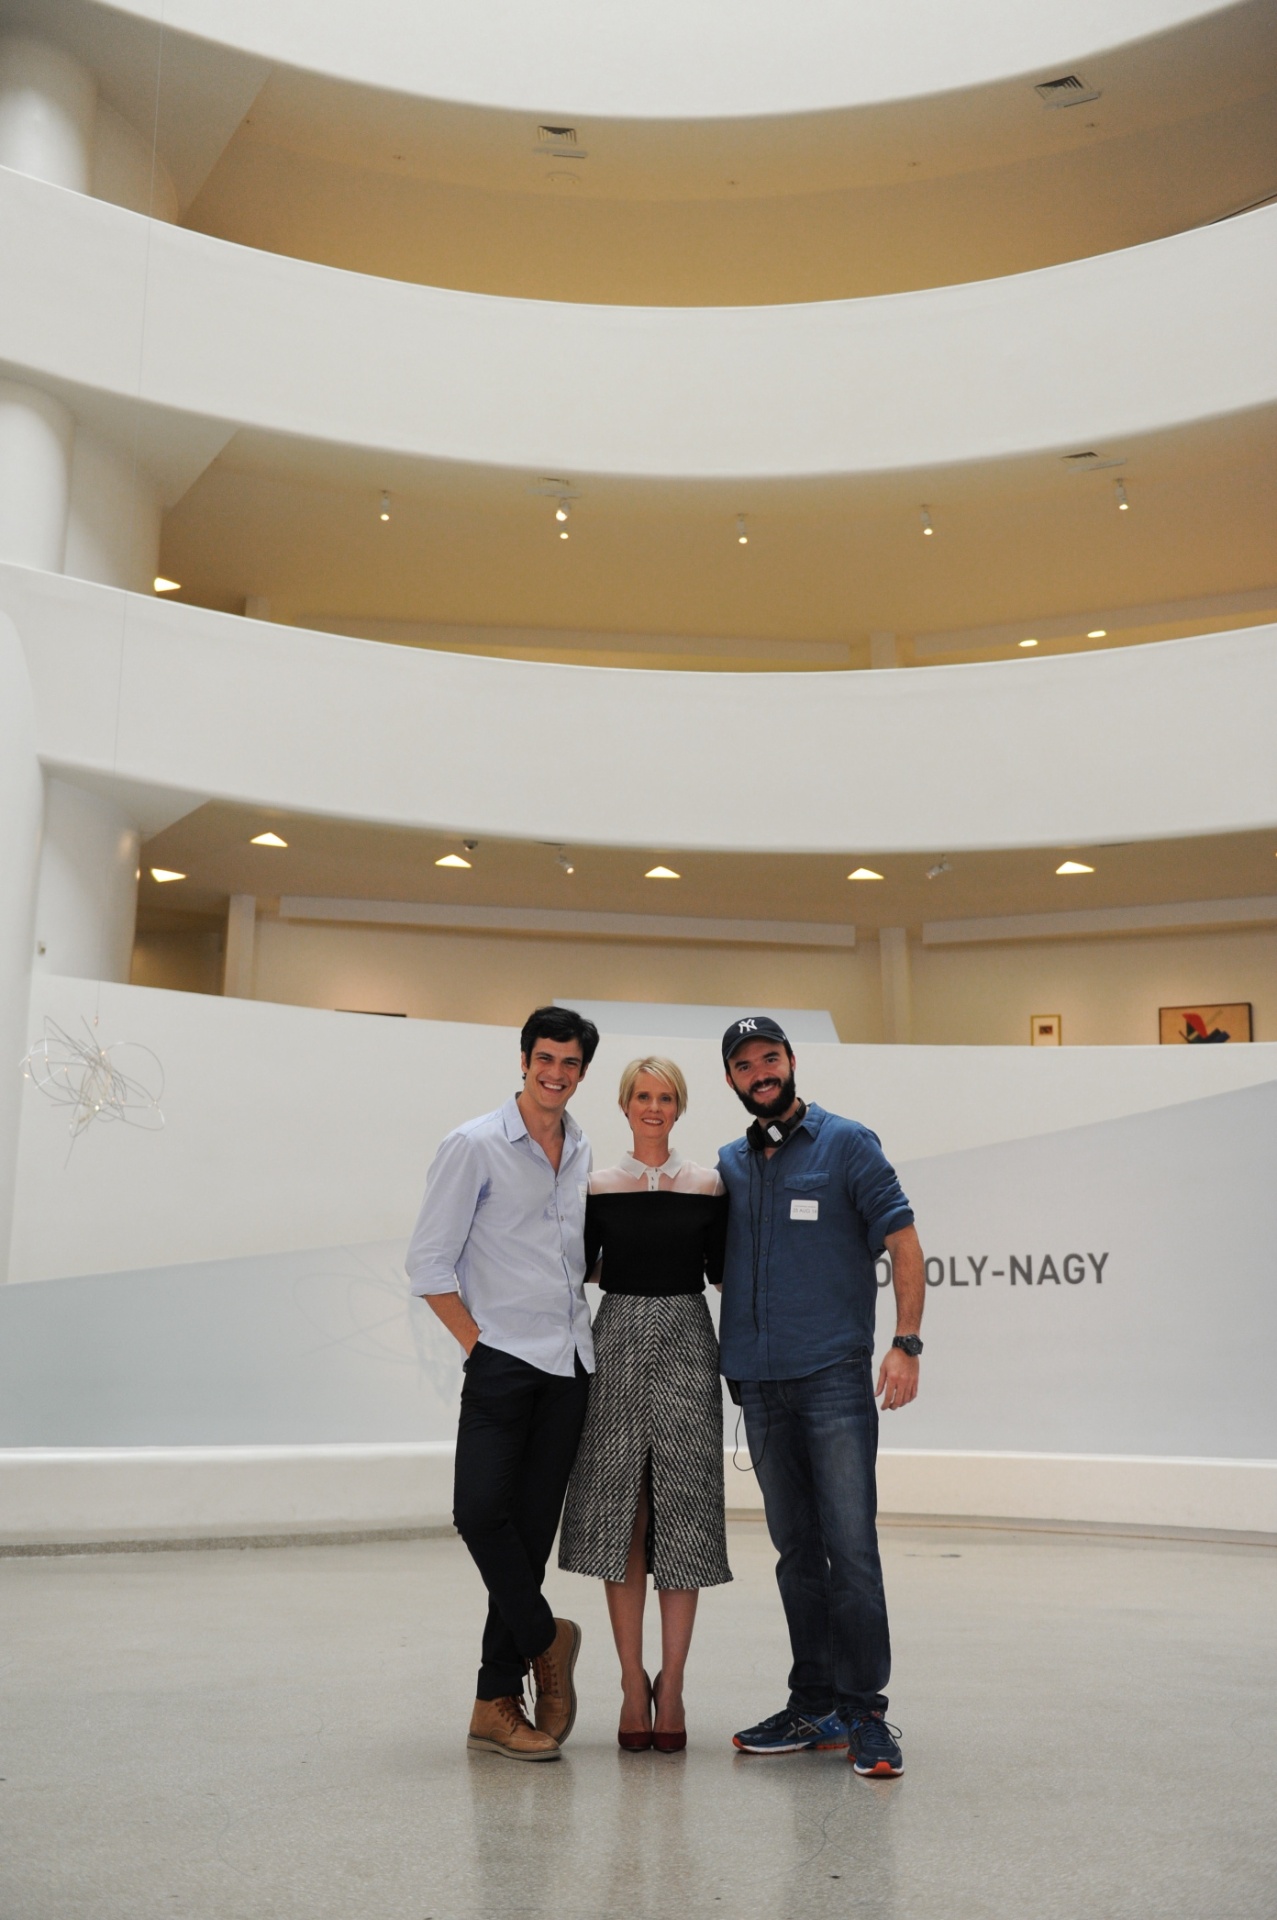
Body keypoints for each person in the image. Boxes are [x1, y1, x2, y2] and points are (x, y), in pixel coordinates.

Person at [716, 1016, 925, 1778]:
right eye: (744, 1064)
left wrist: (904, 1342)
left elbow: (903, 1242)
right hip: (759, 1388)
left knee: (850, 1549)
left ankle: (866, 1711)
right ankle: (814, 1704)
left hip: (833, 1378)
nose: (760, 1072)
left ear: (791, 1062)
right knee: (795, 1554)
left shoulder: (847, 1144)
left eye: (769, 1057)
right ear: (732, 1081)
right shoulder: (729, 1165)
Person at [406, 1005, 600, 1762]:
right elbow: (428, 1263)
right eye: (545, 1059)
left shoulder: (582, 1148)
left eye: (570, 1064)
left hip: (570, 1364)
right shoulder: (474, 1145)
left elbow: (571, 1255)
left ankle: (495, 1701)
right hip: (503, 1362)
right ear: (522, 1060)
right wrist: (478, 1346)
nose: (556, 1074)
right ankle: (547, 1639)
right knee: (479, 1513)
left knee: (524, 1539)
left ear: (581, 1072)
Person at [559, 1056, 729, 1753]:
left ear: (678, 1107)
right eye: (642, 1097)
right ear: (624, 1105)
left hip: (689, 1336)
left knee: (683, 1513)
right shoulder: (595, 1184)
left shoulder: (708, 1183)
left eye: (665, 1098)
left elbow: (721, 1272)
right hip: (617, 1336)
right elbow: (580, 1267)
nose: (653, 1108)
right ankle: (632, 1683)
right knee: (619, 1510)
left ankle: (676, 1684)